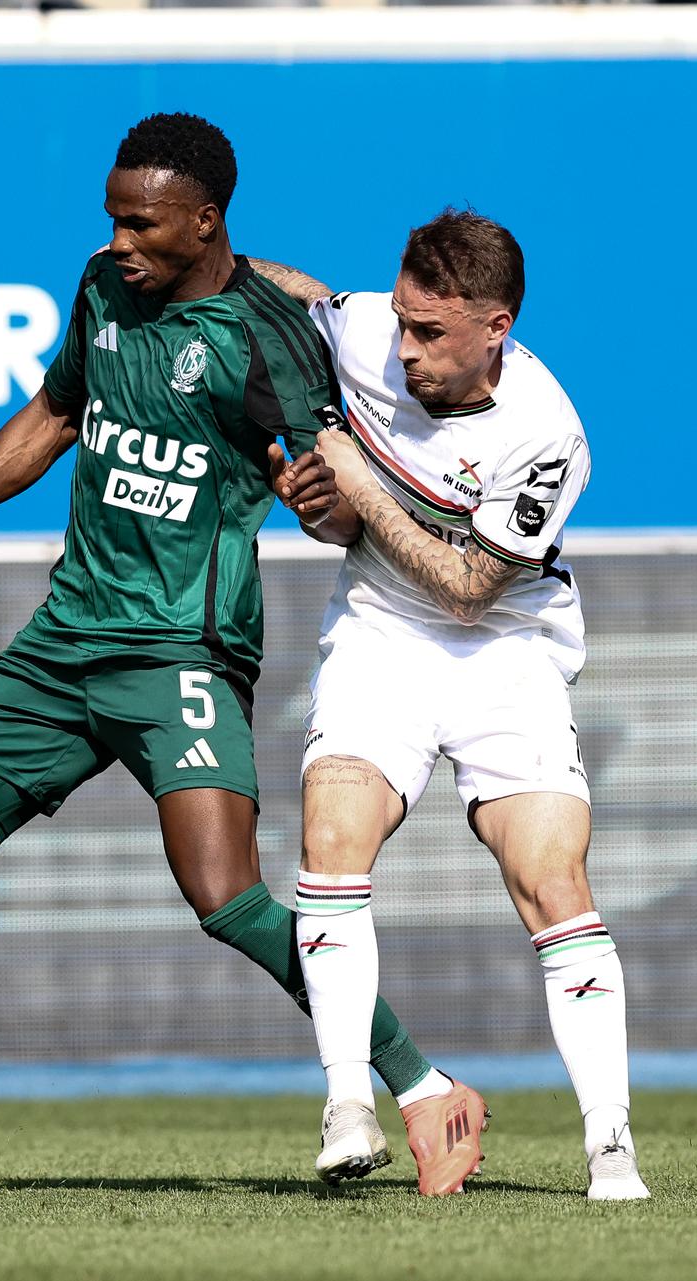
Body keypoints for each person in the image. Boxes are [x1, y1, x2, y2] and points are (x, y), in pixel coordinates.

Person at [0, 113, 477, 1199]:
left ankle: (425, 1084)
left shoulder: (268, 337)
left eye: (140, 222)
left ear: (204, 222)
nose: (118, 239)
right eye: (113, 217)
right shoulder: (103, 290)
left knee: (225, 897)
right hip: (65, 642)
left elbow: (338, 483)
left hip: (184, 649)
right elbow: (56, 412)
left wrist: (322, 504)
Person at [250, 211, 647, 1199]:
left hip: (502, 651)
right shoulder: (370, 327)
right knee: (331, 835)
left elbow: (469, 587)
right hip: (381, 641)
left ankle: (610, 1146)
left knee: (553, 878)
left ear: (496, 326)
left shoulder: (547, 436)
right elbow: (287, 289)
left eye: (432, 334)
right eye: (404, 323)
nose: (407, 348)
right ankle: (348, 1108)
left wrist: (352, 481)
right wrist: (189, 262)